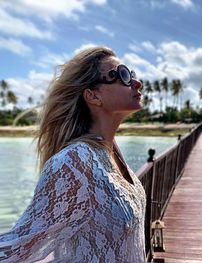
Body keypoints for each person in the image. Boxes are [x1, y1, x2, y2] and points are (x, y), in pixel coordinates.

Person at [0, 46, 146, 262]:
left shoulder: (111, 151)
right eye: (123, 75)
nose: (136, 82)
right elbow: (18, 246)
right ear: (93, 95)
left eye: (132, 74)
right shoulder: (74, 162)